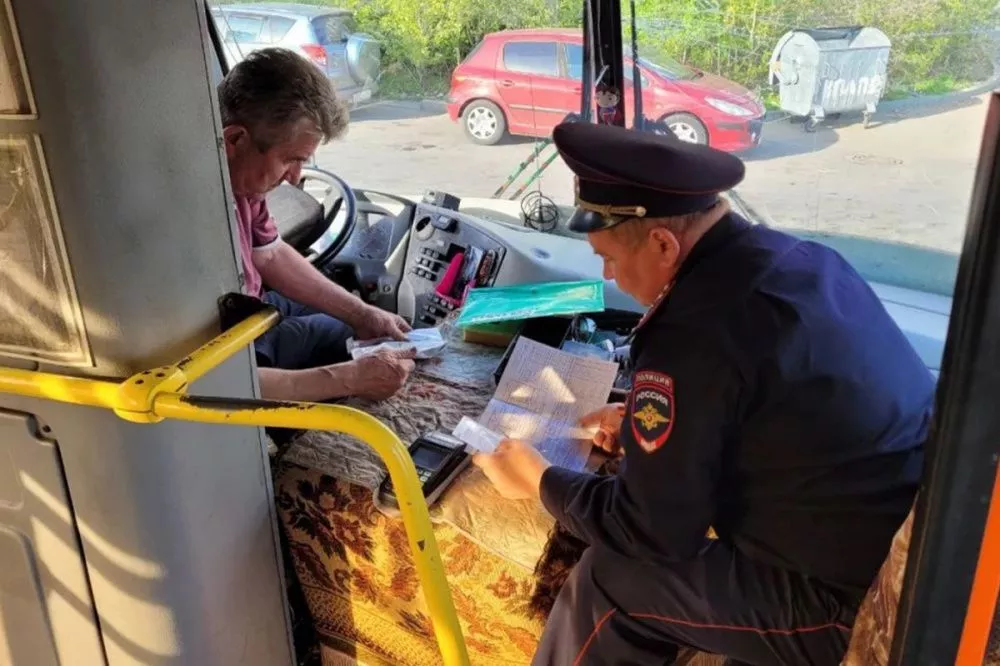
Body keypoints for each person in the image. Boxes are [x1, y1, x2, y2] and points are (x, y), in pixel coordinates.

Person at [473, 121, 934, 665]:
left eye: (610, 258)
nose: (610, 276)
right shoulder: (803, 260)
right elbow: (772, 404)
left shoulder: (689, 335)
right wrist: (666, 429)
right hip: (912, 540)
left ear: (664, 243)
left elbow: (649, 531)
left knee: (609, 578)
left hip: (849, 600)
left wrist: (540, 481)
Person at [218, 48, 415, 402]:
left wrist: (364, 313)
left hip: (252, 305)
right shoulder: (190, 222)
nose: (295, 178)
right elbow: (218, 380)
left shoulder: (244, 183)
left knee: (364, 323)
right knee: (348, 342)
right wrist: (347, 379)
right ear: (235, 140)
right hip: (230, 341)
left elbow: (271, 255)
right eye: (289, 160)